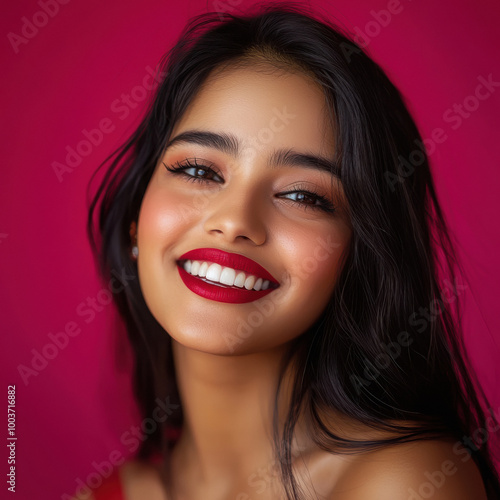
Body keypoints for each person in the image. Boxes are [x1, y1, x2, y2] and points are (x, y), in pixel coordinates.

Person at [78, 4, 500, 499]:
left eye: (304, 196)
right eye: (198, 170)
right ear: (136, 220)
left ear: (356, 254)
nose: (235, 220)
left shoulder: (406, 484)